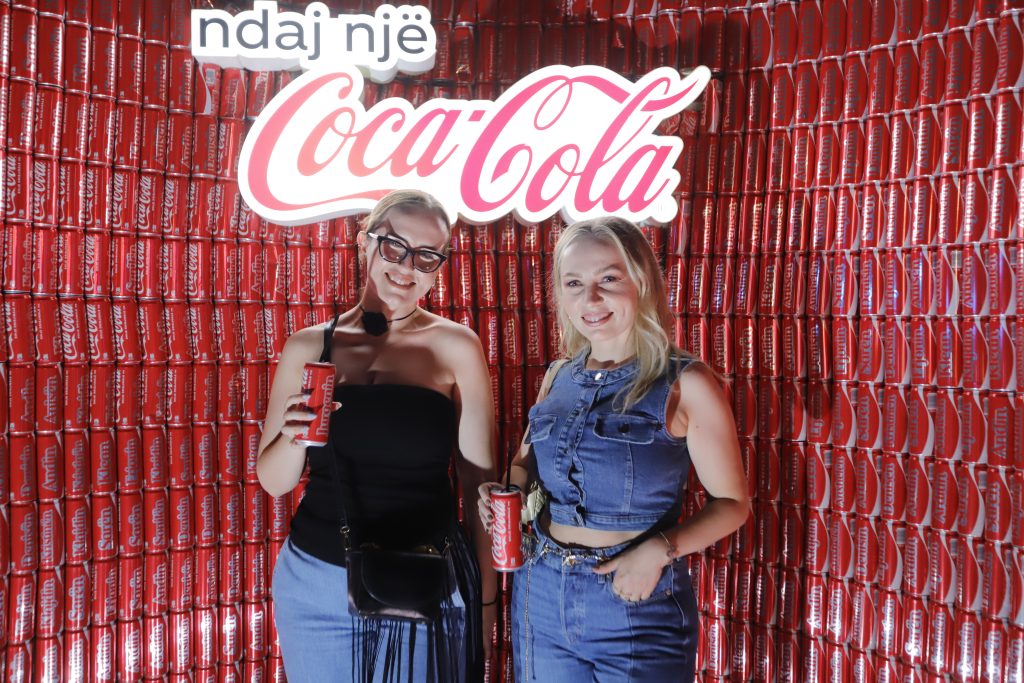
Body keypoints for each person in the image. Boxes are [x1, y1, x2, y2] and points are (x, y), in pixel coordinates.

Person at [478, 216, 749, 682]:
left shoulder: (686, 382)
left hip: (634, 601)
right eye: (574, 283)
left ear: (641, 281)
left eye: (608, 279)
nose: (591, 299)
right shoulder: (557, 376)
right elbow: (524, 464)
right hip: (540, 591)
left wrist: (660, 550)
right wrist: (508, 493)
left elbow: (732, 504)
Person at [258, 190, 497, 682]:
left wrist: (486, 601)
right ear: (364, 240)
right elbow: (275, 481)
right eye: (394, 246)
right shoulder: (309, 346)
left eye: (426, 256)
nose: (407, 267)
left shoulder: (457, 347)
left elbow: (480, 488)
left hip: (425, 581)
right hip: (315, 585)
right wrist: (292, 435)